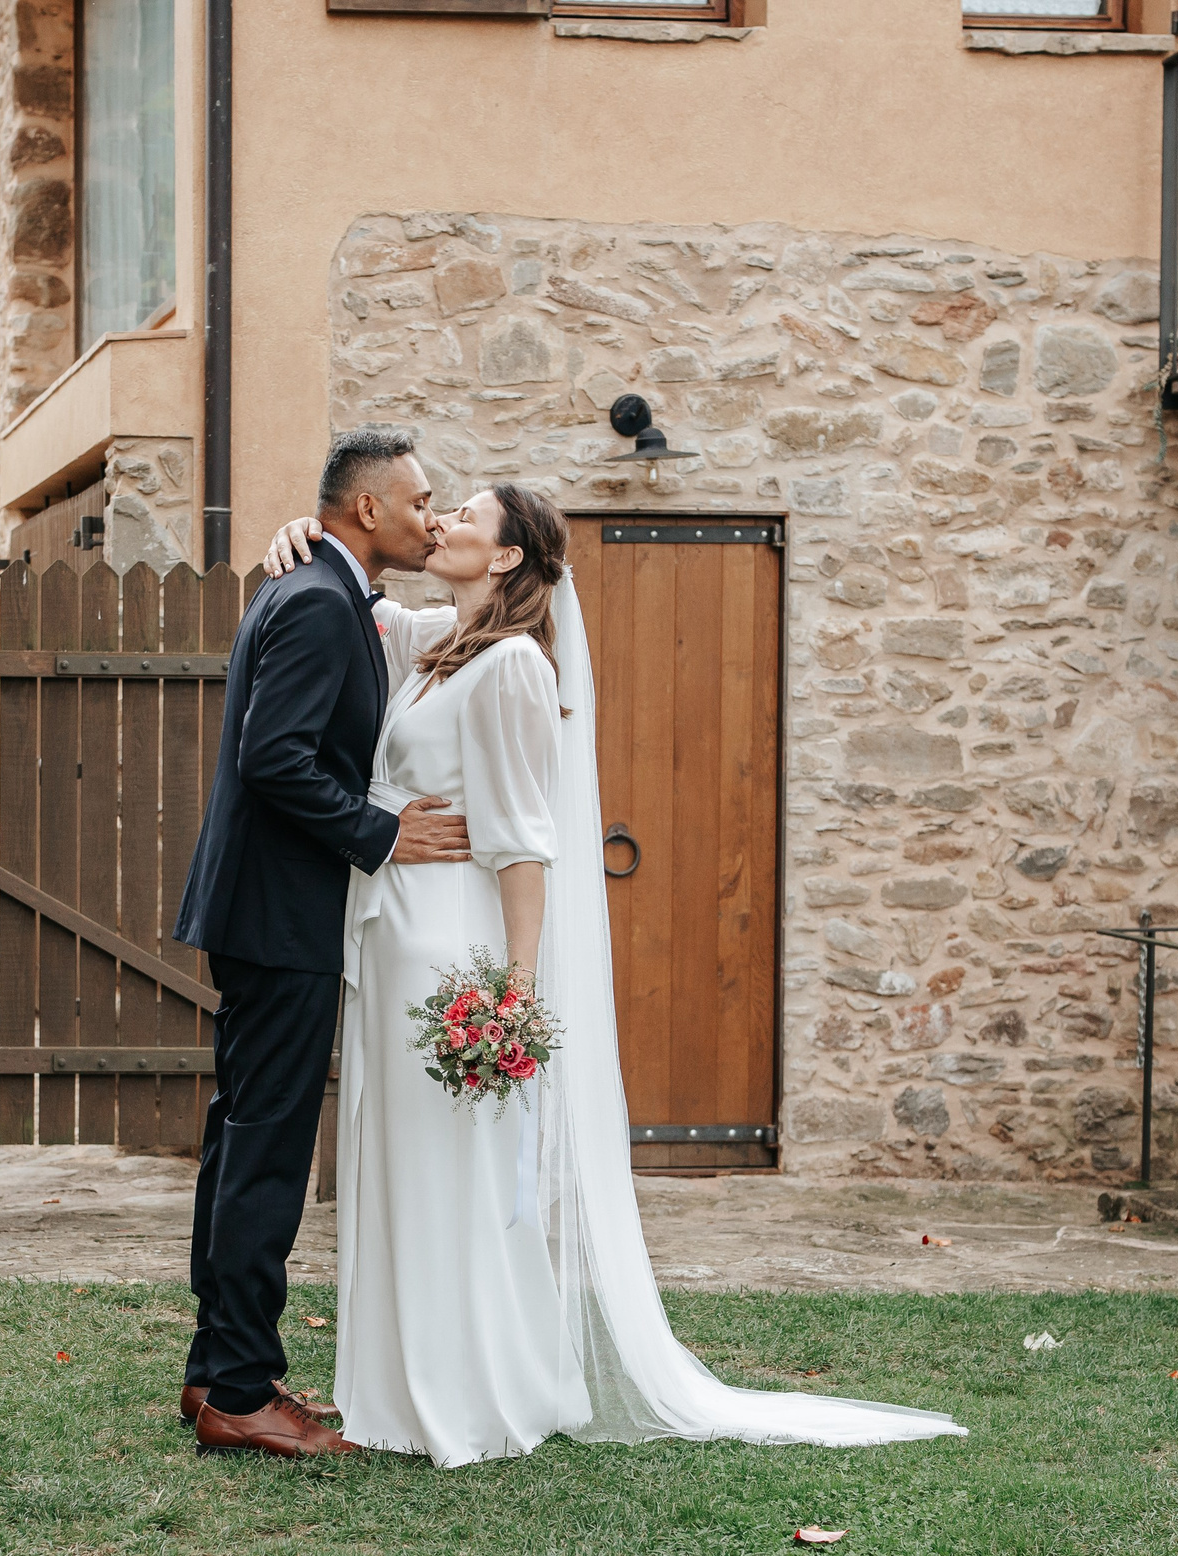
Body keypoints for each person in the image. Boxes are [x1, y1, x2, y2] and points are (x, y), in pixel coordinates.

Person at [265, 486, 966, 1467]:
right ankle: (398, 1387)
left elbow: (522, 843)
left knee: (452, 1178)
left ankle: (470, 1397)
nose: (442, 525)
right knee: (403, 1172)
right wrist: (298, 530)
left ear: (507, 558)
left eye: (465, 515)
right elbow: (350, 595)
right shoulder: (436, 648)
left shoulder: (511, 667)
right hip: (392, 944)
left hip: (449, 959)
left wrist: (513, 990)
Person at [170, 428, 472, 1460]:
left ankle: (219, 1367)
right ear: (368, 509)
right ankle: (243, 1391)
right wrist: (383, 834)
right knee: (266, 1152)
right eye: (422, 499)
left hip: (266, 911)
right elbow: (274, 760)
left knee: (243, 1139)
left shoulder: (330, 591)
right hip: (278, 914)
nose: (434, 515)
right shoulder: (312, 602)